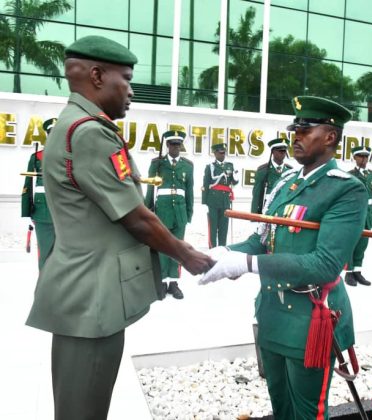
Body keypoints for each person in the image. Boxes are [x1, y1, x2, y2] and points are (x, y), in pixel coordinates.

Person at [25, 35, 213, 420]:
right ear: (96, 75)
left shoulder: (79, 125)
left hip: (88, 294)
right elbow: (137, 217)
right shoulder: (90, 132)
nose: (131, 91)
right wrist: (185, 254)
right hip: (93, 299)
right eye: (125, 80)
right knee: (83, 410)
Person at [200, 96, 367, 420]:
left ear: (330, 136)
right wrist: (226, 254)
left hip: (310, 319)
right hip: (272, 313)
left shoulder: (346, 190)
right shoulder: (285, 182)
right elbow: (261, 239)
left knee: (307, 414)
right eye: (295, 129)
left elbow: (324, 265)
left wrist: (245, 265)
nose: (296, 136)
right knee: (281, 408)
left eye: (305, 129)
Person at [145, 130, 194, 299]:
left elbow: (189, 191)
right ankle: (161, 282)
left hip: (179, 212)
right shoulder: (157, 163)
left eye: (178, 145)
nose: (175, 148)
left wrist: (189, 213)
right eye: (172, 144)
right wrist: (148, 209)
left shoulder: (187, 166)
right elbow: (150, 187)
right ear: (167, 146)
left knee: (178, 248)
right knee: (162, 247)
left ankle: (173, 283)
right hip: (162, 211)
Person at [21, 118, 57, 269]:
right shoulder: (36, 157)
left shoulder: (71, 156)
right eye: (51, 133)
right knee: (45, 255)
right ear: (48, 134)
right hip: (42, 214)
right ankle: (45, 289)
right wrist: (27, 212)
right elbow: (27, 185)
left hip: (66, 214)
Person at [345, 145, 372, 286]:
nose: (364, 159)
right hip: (355, 213)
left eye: (366, 156)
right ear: (355, 158)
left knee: (363, 244)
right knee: (351, 243)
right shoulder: (349, 175)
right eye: (360, 156)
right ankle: (349, 272)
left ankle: (358, 271)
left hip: (368, 214)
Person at [202, 143, 238, 248]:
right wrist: (205, 201)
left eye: (224, 153)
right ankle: (212, 249)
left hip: (225, 201)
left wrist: (235, 178)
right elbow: (206, 183)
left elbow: (234, 182)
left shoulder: (230, 166)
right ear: (215, 153)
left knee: (224, 227)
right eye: (220, 153)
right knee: (213, 227)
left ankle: (222, 249)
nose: (222, 155)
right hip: (213, 200)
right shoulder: (210, 167)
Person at [250, 137, 293, 214]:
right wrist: (255, 215)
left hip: (283, 209)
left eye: (284, 151)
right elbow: (257, 195)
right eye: (280, 151)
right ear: (273, 152)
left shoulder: (290, 171)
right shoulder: (263, 170)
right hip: (268, 209)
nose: (282, 153)